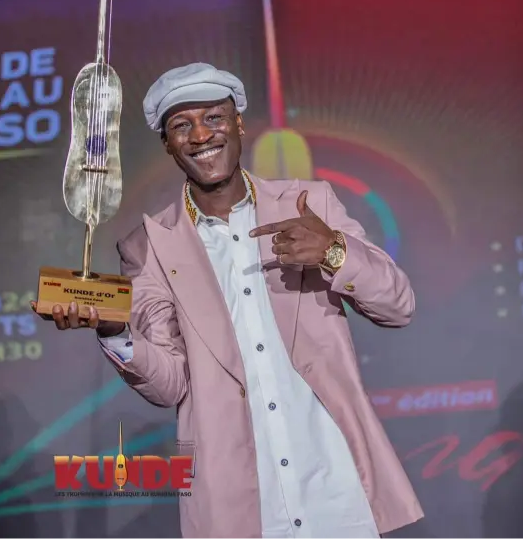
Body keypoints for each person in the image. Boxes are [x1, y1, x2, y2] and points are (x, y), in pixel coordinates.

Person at [34, 62, 423, 539]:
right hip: (239, 504)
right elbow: (170, 385)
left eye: (214, 118)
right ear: (167, 143)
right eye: (182, 125)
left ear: (238, 123)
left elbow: (398, 306)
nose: (201, 135)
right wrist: (115, 331)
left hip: (336, 489)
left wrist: (333, 251)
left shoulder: (309, 204)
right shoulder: (149, 246)